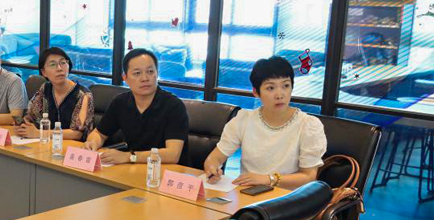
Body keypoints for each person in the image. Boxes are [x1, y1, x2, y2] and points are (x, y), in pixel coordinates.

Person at [204, 55, 326, 189]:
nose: (280, 95)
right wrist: (212, 169)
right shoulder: (244, 120)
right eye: (270, 88)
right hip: (248, 194)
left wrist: (268, 179)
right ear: (256, 92)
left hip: (288, 197)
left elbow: (308, 176)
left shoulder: (308, 125)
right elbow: (215, 158)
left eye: (285, 86)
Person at [84, 48, 189, 165]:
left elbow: (172, 154)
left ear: (157, 74)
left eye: (150, 71)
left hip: (166, 170)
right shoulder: (120, 102)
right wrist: (92, 143)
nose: (145, 78)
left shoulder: (174, 106)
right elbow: (99, 134)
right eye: (137, 73)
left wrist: (130, 156)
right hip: (133, 168)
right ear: (125, 78)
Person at [17, 47, 93, 141]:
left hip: (72, 147)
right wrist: (24, 125)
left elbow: (77, 134)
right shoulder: (45, 89)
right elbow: (31, 116)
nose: (59, 68)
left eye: (63, 63)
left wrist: (39, 133)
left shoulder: (83, 95)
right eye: (53, 64)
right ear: (43, 72)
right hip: (48, 144)